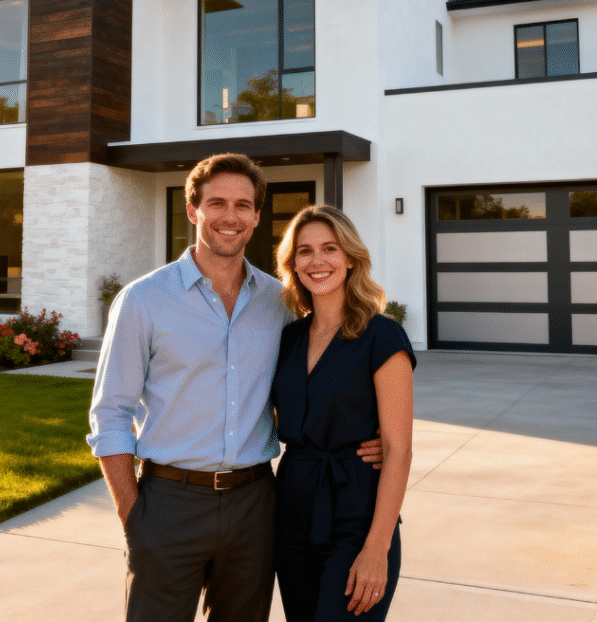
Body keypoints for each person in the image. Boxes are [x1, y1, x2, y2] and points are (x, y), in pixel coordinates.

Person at [87, 153, 383, 622]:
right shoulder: (144, 300)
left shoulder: (281, 303)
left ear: (257, 216)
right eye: (217, 203)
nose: (231, 216)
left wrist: (369, 440)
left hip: (256, 506)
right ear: (192, 210)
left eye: (243, 205)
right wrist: (133, 517)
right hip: (169, 502)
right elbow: (110, 414)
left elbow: (312, 389)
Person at [272, 204, 415, 621]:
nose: (317, 261)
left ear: (350, 258)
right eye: (304, 251)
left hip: (357, 513)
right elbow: (285, 417)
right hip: (293, 511)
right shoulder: (290, 337)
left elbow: (399, 449)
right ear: (293, 264)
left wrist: (377, 548)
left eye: (329, 248)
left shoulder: (383, 335)